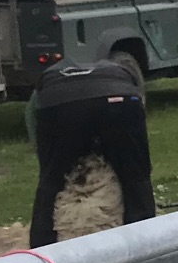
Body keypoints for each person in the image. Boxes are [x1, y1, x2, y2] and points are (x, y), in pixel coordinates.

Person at [28, 57, 157, 245]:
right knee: (136, 178)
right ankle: (146, 249)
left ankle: (42, 254)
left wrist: (52, 161)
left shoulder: (47, 80)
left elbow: (34, 122)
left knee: (50, 182)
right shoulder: (124, 75)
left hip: (58, 102)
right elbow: (135, 119)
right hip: (118, 98)